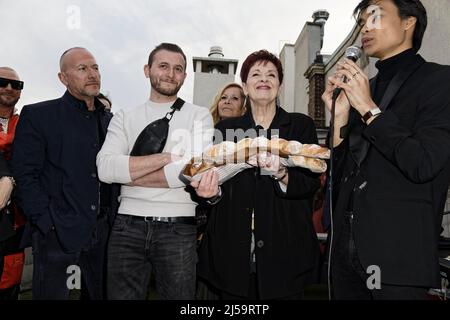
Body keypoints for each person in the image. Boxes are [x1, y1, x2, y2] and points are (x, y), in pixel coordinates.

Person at [322, 0, 450, 299]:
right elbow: (340, 180)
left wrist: (368, 109)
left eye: (375, 17)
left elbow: (424, 163)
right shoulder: (365, 87)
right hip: (344, 257)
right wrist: (340, 116)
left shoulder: (440, 81)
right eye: (362, 21)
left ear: (408, 22)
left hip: (396, 258)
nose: (365, 27)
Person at [192, 50, 321, 300]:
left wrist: (282, 173)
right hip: (231, 251)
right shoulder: (225, 128)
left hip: (285, 250)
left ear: (279, 84)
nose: (264, 79)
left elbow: (311, 184)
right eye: (256, 74)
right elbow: (212, 182)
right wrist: (210, 194)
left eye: (272, 74)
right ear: (245, 85)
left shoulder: (300, 126)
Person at [96, 43, 213, 300]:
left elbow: (192, 172)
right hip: (126, 226)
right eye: (163, 66)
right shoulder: (125, 116)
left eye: (178, 69)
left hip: (179, 230)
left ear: (184, 76)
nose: (171, 74)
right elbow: (105, 169)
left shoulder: (199, 115)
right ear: (147, 70)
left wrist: (129, 173)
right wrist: (166, 158)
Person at [11, 47, 118, 300]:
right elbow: (25, 175)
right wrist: (47, 223)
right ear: (63, 78)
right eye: (82, 69)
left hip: (104, 235)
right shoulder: (39, 115)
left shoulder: (111, 121)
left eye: (95, 68)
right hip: (56, 235)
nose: (92, 74)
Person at [0, 67, 26, 300]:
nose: (9, 88)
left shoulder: (28, 124)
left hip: (15, 223)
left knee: (9, 286)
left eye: (16, 85)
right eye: (3, 82)